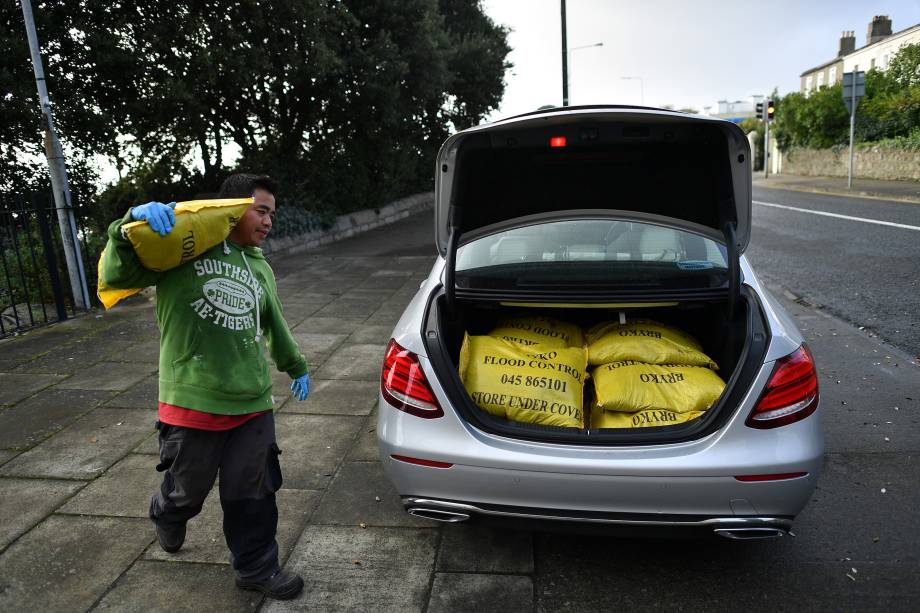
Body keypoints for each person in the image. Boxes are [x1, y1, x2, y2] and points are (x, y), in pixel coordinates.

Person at [100, 173, 310, 600]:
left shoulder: (259, 265)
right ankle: (168, 513)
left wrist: (296, 365)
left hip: (251, 400)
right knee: (187, 490)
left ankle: (256, 567)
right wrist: (126, 226)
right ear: (232, 207)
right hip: (192, 399)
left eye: (273, 213)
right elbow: (120, 268)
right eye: (261, 210)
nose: (269, 221)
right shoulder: (182, 247)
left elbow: (273, 322)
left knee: (253, 491)